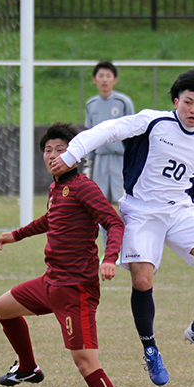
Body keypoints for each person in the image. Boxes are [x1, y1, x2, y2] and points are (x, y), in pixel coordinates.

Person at [50, 69, 194, 387]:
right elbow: (106, 130)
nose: (192, 109)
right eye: (187, 102)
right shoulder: (152, 122)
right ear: (176, 101)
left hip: (179, 211)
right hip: (142, 212)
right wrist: (72, 153)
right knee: (143, 278)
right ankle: (150, 350)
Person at [0, 122, 124, 387]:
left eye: (60, 149)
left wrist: (110, 257)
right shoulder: (56, 189)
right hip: (50, 282)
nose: (53, 155)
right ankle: (28, 368)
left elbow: (114, 222)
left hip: (76, 289)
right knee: (2, 308)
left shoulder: (83, 187)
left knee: (85, 363)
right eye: (48, 150)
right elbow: (51, 219)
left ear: (76, 153)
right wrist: (16, 235)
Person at [84, 61, 134, 250]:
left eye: (108, 76)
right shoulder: (91, 104)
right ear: (94, 80)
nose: (104, 80)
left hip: (119, 161)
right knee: (101, 209)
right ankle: (109, 251)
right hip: (100, 161)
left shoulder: (123, 102)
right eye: (101, 76)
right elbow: (88, 134)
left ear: (115, 80)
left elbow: (133, 133)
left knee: (125, 207)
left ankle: (128, 249)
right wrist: (88, 164)